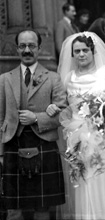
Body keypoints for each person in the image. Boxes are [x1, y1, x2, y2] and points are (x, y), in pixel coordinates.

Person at [47, 32, 105, 220]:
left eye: (85, 50)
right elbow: (62, 106)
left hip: (103, 139)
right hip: (77, 140)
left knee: (102, 179)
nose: (81, 54)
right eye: (77, 51)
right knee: (83, 184)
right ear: (72, 55)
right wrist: (53, 107)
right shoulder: (67, 78)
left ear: (93, 51)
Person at [0, 29, 66, 220]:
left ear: (39, 47)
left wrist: (36, 118)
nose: (27, 50)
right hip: (12, 145)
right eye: (22, 46)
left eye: (31, 46)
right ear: (17, 48)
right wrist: (1, 153)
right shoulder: (4, 80)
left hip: (44, 145)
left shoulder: (53, 78)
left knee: (43, 207)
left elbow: (63, 114)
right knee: (12, 209)